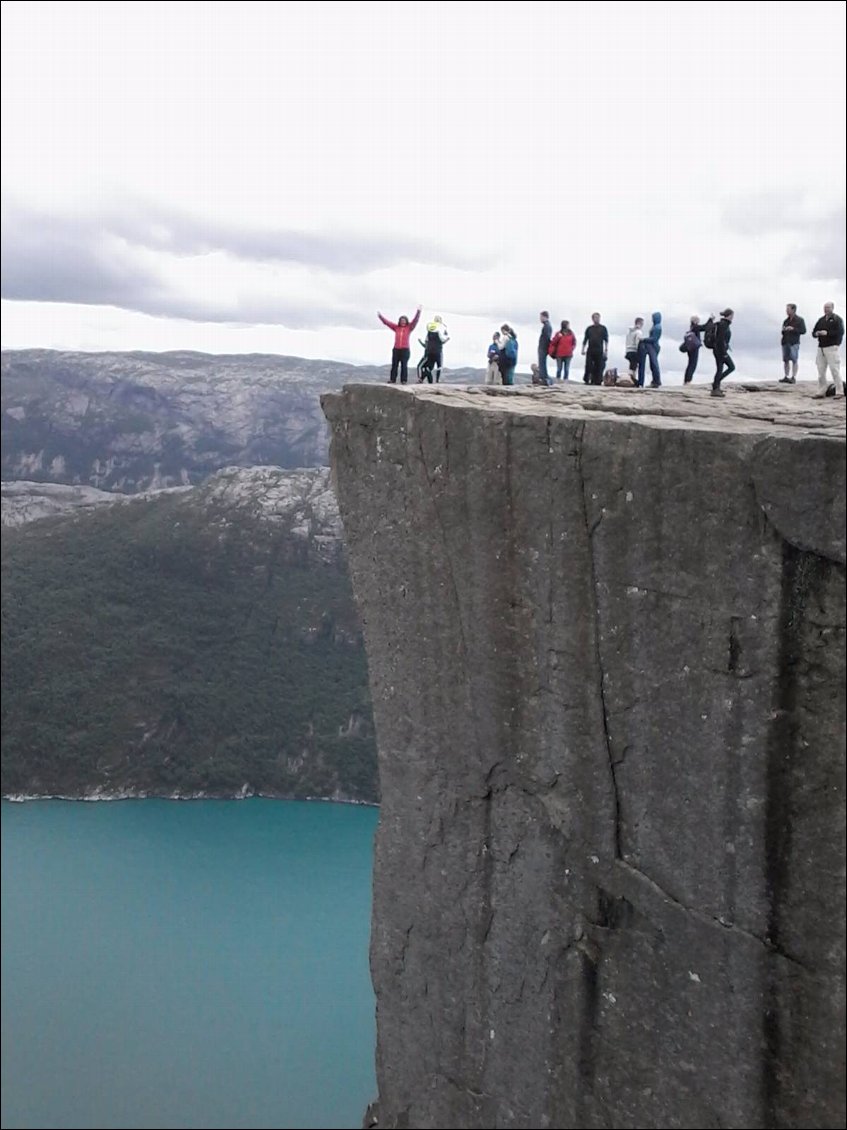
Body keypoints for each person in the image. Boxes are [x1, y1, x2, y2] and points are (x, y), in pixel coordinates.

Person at [378, 305, 421, 384]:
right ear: (399, 321)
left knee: (404, 365)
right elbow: (387, 323)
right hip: (396, 349)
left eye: (404, 320)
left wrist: (418, 312)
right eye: (401, 320)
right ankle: (392, 379)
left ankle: (403, 380)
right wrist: (380, 317)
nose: (403, 321)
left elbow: (415, 320)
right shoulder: (396, 327)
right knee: (394, 365)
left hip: (405, 349)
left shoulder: (409, 327)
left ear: (406, 321)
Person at [811, 302, 844, 399]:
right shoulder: (821, 320)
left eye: (828, 307)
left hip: (831, 347)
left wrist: (828, 333)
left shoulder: (837, 319)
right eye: (825, 307)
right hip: (821, 347)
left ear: (832, 308)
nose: (826, 309)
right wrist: (817, 333)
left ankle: (839, 391)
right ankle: (821, 391)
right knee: (821, 370)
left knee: (835, 369)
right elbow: (813, 331)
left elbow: (840, 332)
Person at [779, 303, 807, 384]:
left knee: (794, 359)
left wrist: (793, 329)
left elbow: (803, 331)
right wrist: (785, 330)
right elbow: (782, 331)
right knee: (785, 360)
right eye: (786, 309)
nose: (786, 311)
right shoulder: (786, 321)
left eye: (788, 309)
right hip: (785, 342)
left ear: (793, 310)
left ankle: (794, 377)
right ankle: (786, 376)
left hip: (794, 342)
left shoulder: (800, 320)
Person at [710, 309, 735, 397]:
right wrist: (724, 352)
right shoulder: (723, 325)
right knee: (731, 367)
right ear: (730, 315)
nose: (733, 317)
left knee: (720, 369)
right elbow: (720, 340)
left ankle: (716, 387)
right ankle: (715, 386)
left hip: (718, 350)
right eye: (732, 315)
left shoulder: (723, 324)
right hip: (720, 351)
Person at [581, 313, 608, 385]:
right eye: (595, 317)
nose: (597, 319)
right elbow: (585, 339)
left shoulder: (603, 328)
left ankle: (597, 380)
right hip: (590, 349)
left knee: (599, 366)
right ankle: (587, 379)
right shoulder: (589, 328)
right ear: (592, 319)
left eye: (598, 317)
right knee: (588, 365)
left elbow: (606, 340)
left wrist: (606, 351)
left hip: (599, 349)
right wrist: (583, 349)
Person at [421, 314, 449, 383]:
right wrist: (447, 339)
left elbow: (426, 340)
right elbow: (443, 340)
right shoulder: (440, 330)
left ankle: (421, 378)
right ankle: (437, 380)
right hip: (438, 350)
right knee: (439, 365)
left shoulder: (429, 331)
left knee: (429, 366)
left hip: (430, 350)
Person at [637, 311, 663, 388]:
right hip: (652, 346)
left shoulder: (657, 327)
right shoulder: (656, 326)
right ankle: (655, 381)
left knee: (654, 364)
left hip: (653, 346)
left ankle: (656, 381)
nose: (652, 319)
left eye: (653, 318)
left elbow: (654, 339)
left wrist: (644, 339)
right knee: (653, 364)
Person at [682, 316, 704, 384]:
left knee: (690, 363)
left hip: (690, 348)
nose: (698, 322)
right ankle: (688, 380)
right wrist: (710, 320)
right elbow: (704, 327)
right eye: (697, 321)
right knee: (693, 364)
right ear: (695, 321)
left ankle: (686, 379)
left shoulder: (691, 328)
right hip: (694, 348)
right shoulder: (696, 327)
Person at [624, 317, 645, 381]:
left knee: (631, 366)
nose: (642, 325)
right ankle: (631, 380)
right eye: (642, 323)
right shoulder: (638, 332)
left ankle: (630, 379)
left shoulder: (629, 332)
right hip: (634, 351)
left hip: (628, 350)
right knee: (634, 367)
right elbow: (637, 342)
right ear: (639, 323)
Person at [537, 311, 553, 386]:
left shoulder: (547, 326)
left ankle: (545, 378)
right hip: (544, 346)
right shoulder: (547, 325)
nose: (540, 319)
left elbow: (547, 337)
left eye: (541, 317)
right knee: (542, 363)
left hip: (543, 347)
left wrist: (545, 346)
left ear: (544, 317)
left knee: (542, 363)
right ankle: (544, 378)